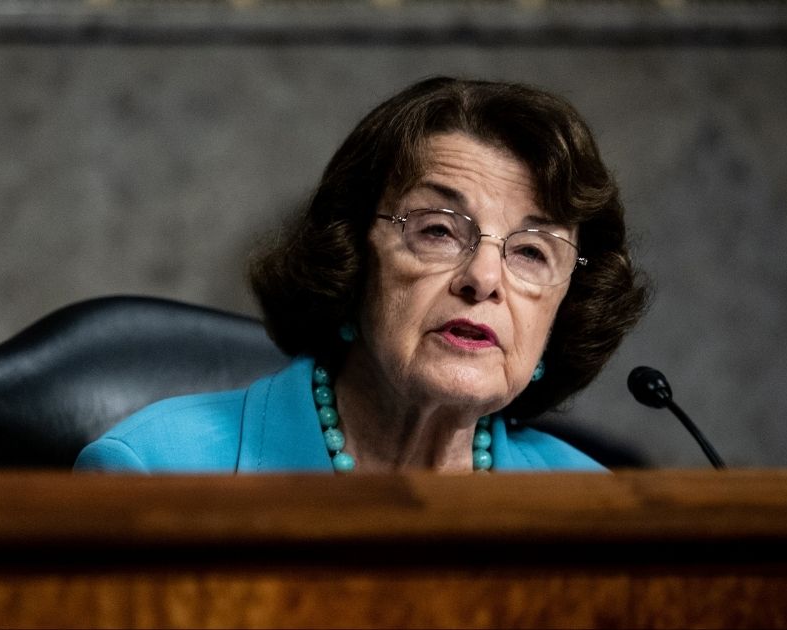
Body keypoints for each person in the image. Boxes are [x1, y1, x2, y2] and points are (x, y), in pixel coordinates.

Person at [74, 76, 649, 474]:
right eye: (438, 230)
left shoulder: (597, 514)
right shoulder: (152, 473)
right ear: (351, 261)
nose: (484, 278)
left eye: (530, 252)